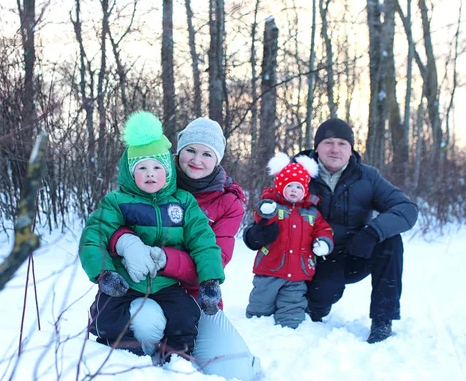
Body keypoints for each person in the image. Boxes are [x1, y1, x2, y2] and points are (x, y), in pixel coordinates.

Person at [108, 118, 261, 380]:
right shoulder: (153, 174)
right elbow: (113, 220)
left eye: (206, 153)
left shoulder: (228, 203)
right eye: (190, 150)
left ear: (218, 159)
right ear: (178, 152)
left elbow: (217, 259)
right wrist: (126, 242)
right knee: (146, 323)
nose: (196, 160)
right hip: (142, 287)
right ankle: (148, 360)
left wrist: (164, 258)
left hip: (195, 297)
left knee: (237, 372)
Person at [79, 111, 225, 359]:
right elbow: (93, 237)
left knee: (185, 317)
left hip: (167, 283)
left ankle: (177, 359)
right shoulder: (117, 202)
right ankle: (121, 356)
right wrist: (104, 273)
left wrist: (210, 281)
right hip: (126, 281)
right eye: (142, 167)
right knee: (108, 317)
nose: (150, 173)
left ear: (168, 171)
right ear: (129, 172)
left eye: (157, 167)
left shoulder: (183, 202)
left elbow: (204, 242)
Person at [286, 118, 417, 343]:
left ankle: (382, 320)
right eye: (328, 142)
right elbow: (271, 207)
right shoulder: (297, 175)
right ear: (316, 147)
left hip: (354, 252)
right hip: (312, 259)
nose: (335, 149)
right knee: (322, 297)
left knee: (390, 241)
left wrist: (372, 233)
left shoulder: (368, 177)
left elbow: (406, 209)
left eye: (342, 143)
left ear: (351, 149)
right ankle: (315, 306)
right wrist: (255, 234)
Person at [244, 152, 333, 328]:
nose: (294, 190)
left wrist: (323, 242)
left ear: (305, 190)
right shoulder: (272, 206)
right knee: (262, 299)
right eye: (290, 185)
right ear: (280, 186)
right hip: (270, 267)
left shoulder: (312, 212)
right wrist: (266, 210)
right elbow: (260, 218)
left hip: (297, 270)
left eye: (299, 187)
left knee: (293, 301)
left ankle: (290, 322)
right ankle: (257, 321)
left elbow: (323, 229)